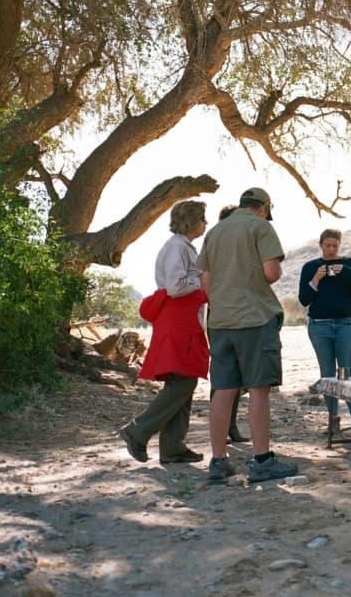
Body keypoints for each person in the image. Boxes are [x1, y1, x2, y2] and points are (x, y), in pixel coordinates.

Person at [197, 187, 298, 484]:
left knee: (223, 389)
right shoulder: (260, 227)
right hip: (254, 318)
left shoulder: (215, 232)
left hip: (220, 321)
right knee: (258, 388)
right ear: (264, 207)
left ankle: (218, 461)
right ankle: (262, 460)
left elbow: (205, 279)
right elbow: (272, 273)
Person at [119, 200, 210, 465]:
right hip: (177, 322)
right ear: (190, 220)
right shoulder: (176, 248)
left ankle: (173, 447)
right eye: (202, 219)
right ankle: (138, 430)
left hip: (185, 321)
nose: (206, 224)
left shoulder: (183, 247)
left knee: (184, 379)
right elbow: (174, 286)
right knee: (183, 380)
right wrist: (202, 281)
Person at [298, 228, 351, 436]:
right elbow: (304, 299)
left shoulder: (349, 264)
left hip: (345, 324)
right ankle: (333, 419)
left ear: (339, 245)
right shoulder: (310, 267)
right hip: (319, 325)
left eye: (335, 246)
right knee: (328, 375)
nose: (331, 250)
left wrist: (347, 273)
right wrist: (316, 278)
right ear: (321, 245)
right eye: (327, 246)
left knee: (348, 371)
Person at [211, 204, 246, 444]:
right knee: (223, 376)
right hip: (223, 316)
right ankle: (223, 430)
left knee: (236, 374)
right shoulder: (216, 244)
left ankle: (230, 426)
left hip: (233, 313)